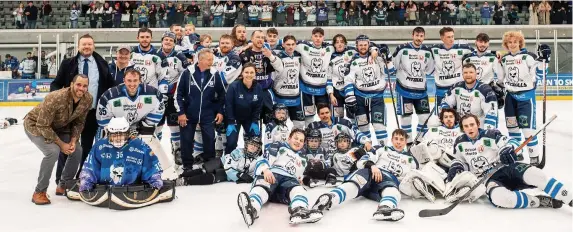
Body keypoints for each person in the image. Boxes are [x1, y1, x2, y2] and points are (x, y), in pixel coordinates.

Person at [445, 114, 572, 209]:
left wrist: (506, 150)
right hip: (489, 179)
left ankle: (569, 198)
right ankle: (539, 201)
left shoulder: (491, 133)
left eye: (472, 124)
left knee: (538, 175)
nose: (470, 128)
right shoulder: (460, 142)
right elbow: (459, 160)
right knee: (501, 199)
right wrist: (456, 166)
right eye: (466, 126)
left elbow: (512, 142)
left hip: (508, 168)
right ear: (462, 128)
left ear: (478, 124)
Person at [66, 117, 175, 210]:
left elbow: (151, 165)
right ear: (108, 133)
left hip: (132, 189)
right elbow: (90, 167)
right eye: (114, 135)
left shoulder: (140, 146)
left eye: (121, 135)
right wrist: (86, 180)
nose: (118, 139)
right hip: (104, 192)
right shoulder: (100, 146)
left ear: (128, 133)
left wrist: (154, 178)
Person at [51, 34, 114, 183]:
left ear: (94, 46)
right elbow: (56, 84)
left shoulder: (102, 64)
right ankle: (61, 179)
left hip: (92, 113)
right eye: (84, 44)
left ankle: (82, 176)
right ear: (78, 46)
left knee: (87, 146)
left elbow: (110, 86)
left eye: (89, 44)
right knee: (66, 146)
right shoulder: (68, 63)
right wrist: (57, 100)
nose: (87, 47)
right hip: (71, 114)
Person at [312, 129, 413, 222]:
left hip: (387, 181)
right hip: (370, 172)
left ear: (405, 142)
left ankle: (385, 207)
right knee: (355, 183)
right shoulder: (381, 149)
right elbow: (363, 160)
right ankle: (329, 199)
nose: (398, 142)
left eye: (401, 139)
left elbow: (415, 176)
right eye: (396, 139)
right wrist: (372, 166)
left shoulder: (411, 159)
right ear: (391, 139)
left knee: (393, 191)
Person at [25, 74, 92, 205]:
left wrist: (73, 140)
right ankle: (39, 191)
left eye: (85, 86)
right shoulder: (55, 97)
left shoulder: (87, 99)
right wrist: (61, 144)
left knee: (77, 150)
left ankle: (64, 185)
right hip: (36, 126)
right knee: (52, 152)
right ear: (72, 84)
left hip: (60, 127)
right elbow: (43, 125)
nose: (81, 88)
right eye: (78, 84)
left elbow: (79, 123)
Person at [237, 129, 323, 226]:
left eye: (301, 140)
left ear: (303, 144)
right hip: (273, 175)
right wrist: (265, 170)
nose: (298, 141)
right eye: (296, 138)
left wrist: (301, 179)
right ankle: (252, 208)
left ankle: (299, 210)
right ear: (289, 138)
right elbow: (264, 159)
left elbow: (299, 175)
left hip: (287, 182)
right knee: (263, 185)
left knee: (299, 190)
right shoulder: (278, 145)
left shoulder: (303, 158)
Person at [497, 31, 550, 167]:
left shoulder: (528, 57)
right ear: (506, 44)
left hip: (526, 98)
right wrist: (497, 90)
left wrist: (544, 60)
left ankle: (534, 156)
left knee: (528, 130)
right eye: (510, 42)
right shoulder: (504, 59)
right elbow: (501, 79)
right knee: (512, 129)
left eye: (515, 42)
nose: (513, 44)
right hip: (510, 98)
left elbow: (539, 74)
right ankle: (517, 152)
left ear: (520, 43)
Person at [176, 48, 225, 173]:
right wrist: (181, 112)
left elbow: (222, 95)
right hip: (188, 113)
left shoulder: (215, 73)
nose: (211, 62)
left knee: (209, 139)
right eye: (209, 60)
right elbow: (178, 94)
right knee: (186, 139)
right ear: (200, 60)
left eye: (212, 59)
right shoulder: (188, 73)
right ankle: (187, 166)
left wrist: (220, 111)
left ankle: (209, 165)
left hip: (207, 113)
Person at [343, 35, 393, 146]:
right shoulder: (353, 61)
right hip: (360, 98)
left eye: (365, 45)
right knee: (363, 127)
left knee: (379, 125)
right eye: (360, 45)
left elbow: (391, 71)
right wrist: (350, 98)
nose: (363, 47)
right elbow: (348, 80)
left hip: (377, 98)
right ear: (356, 46)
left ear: (369, 44)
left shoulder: (378, 57)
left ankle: (382, 150)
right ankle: (367, 150)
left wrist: (387, 58)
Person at [392, 27, 434, 145]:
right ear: (412, 35)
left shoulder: (427, 51)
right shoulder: (402, 48)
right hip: (404, 90)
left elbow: (430, 69)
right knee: (406, 119)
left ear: (424, 37)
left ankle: (420, 142)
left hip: (421, 92)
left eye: (421, 36)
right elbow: (393, 66)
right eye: (417, 35)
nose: (419, 38)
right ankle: (409, 144)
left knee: (425, 118)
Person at [155, 31, 192, 166]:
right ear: (162, 41)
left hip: (173, 96)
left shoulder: (179, 56)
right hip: (157, 97)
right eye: (166, 39)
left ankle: (177, 150)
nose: (168, 42)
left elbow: (186, 74)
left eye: (171, 40)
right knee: (156, 126)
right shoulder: (154, 55)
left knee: (174, 126)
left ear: (174, 43)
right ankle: (156, 153)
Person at [295, 27, 335, 126]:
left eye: (320, 36)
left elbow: (344, 47)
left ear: (323, 38)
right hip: (306, 89)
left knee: (325, 114)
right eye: (315, 36)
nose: (317, 38)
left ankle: (328, 134)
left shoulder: (329, 48)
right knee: (309, 116)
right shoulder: (304, 47)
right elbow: (287, 41)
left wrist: (373, 48)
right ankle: (310, 135)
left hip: (322, 90)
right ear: (312, 37)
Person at [441, 63, 498, 129]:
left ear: (476, 74)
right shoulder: (456, 87)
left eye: (471, 72)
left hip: (478, 130)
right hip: (460, 128)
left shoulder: (485, 90)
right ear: (462, 74)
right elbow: (445, 103)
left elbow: (491, 113)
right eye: (465, 72)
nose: (468, 75)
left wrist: (488, 131)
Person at [431, 27, 473, 113]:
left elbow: (479, 53)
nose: (451, 39)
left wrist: (497, 53)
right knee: (441, 117)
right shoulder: (434, 49)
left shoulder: (463, 48)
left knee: (460, 116)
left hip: (458, 89)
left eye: (452, 36)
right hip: (441, 90)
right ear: (442, 38)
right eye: (448, 37)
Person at [267, 35, 305, 129]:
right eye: (288, 44)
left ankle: (293, 142)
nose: (290, 47)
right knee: (279, 125)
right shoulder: (277, 57)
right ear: (283, 44)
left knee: (300, 124)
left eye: (293, 44)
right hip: (280, 96)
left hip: (295, 97)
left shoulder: (299, 55)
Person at [225, 63, 263, 154]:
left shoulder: (258, 87)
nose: (249, 75)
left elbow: (258, 106)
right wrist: (230, 122)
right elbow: (228, 105)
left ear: (255, 74)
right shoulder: (234, 86)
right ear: (242, 73)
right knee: (231, 142)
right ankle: (228, 161)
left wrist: (254, 121)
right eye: (246, 72)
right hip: (234, 118)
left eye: (251, 72)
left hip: (249, 119)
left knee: (255, 141)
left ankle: (254, 161)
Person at [239, 30, 275, 124]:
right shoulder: (244, 54)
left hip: (265, 92)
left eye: (262, 37)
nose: (260, 39)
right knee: (251, 122)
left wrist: (271, 56)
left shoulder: (268, 52)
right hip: (249, 92)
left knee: (269, 121)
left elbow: (279, 67)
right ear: (251, 39)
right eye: (257, 37)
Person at [462, 33, 504, 109]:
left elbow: (500, 76)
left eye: (485, 42)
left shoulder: (493, 58)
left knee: (490, 114)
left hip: (487, 90)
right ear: (476, 42)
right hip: (471, 91)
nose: (483, 44)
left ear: (488, 44)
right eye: (480, 42)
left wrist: (499, 87)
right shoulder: (467, 58)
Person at [327, 34, 357, 121]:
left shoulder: (352, 51)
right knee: (337, 120)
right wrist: (331, 95)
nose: (339, 44)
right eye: (337, 42)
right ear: (334, 45)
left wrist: (373, 50)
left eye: (342, 42)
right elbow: (329, 78)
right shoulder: (330, 57)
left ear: (345, 44)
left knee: (354, 119)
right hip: (337, 93)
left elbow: (365, 47)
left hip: (351, 91)